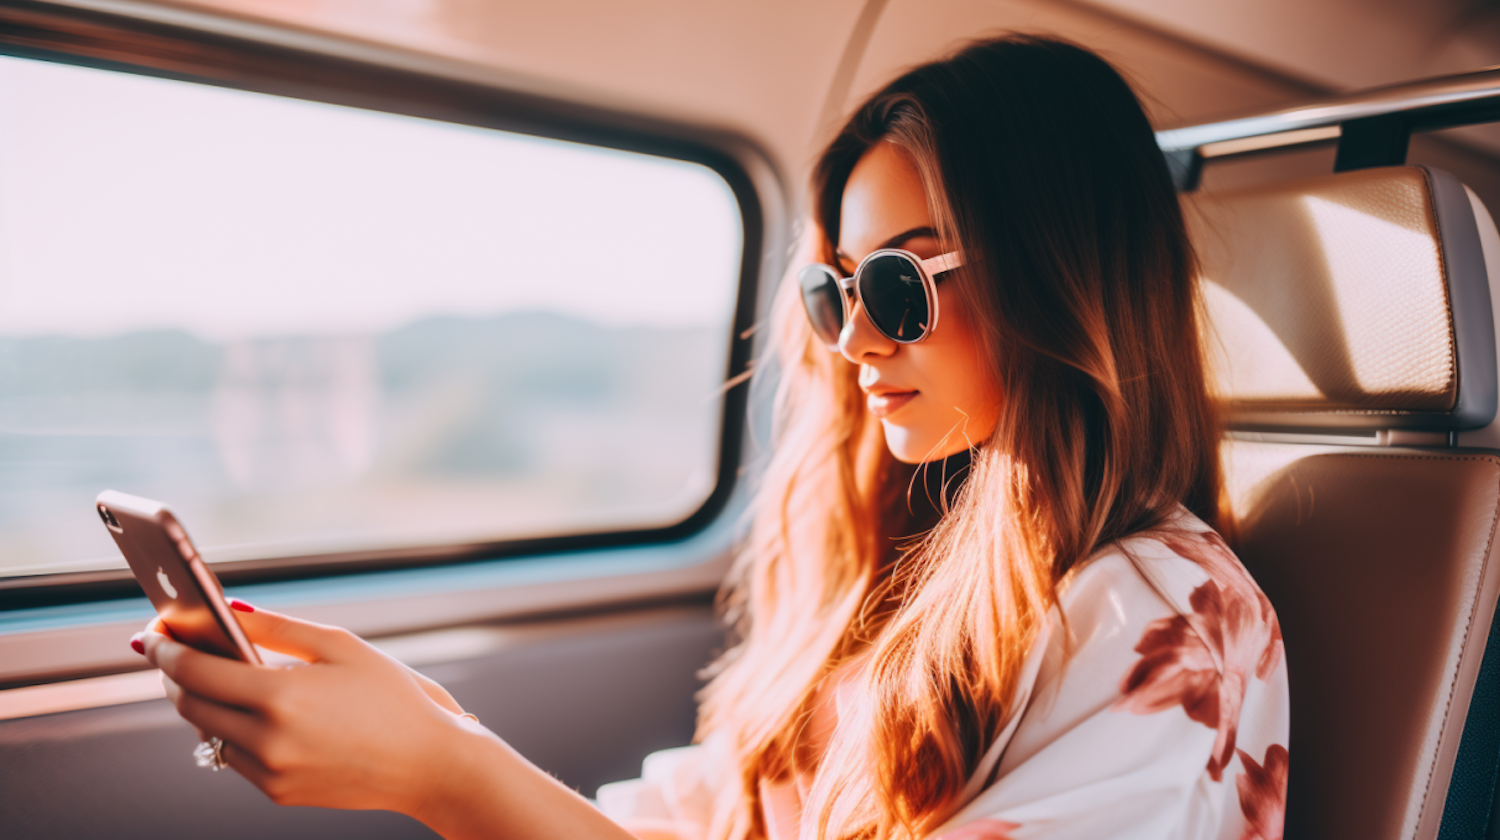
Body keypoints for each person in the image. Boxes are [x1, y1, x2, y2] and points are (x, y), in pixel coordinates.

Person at [135, 33, 1288, 840]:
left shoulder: (1172, 617)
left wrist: (447, 777)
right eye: (835, 294)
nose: (853, 344)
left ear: (1063, 276)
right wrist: (433, 732)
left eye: (898, 285)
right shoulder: (920, 558)